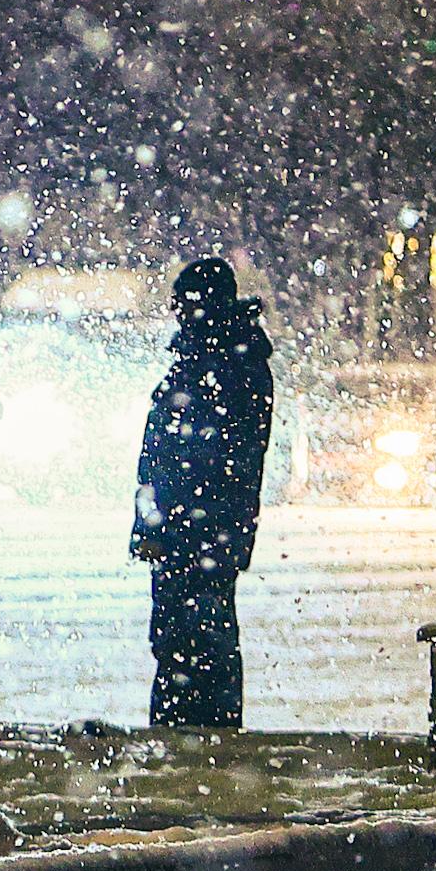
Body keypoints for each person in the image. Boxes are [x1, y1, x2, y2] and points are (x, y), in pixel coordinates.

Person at [131, 257, 275, 729]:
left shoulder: (224, 366)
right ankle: (196, 732)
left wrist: (160, 521)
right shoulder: (216, 360)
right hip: (197, 527)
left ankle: (197, 735)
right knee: (189, 637)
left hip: (198, 527)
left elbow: (192, 454)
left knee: (194, 639)